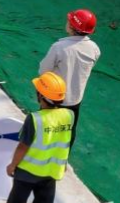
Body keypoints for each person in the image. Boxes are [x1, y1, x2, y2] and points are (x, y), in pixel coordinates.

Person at [0, 73, 74, 203]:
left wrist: (12, 165)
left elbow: (23, 146)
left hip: (27, 173)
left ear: (41, 96)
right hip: (51, 172)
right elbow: (65, 140)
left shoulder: (35, 119)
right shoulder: (69, 115)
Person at [39, 8, 99, 147]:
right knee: (68, 133)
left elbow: (43, 70)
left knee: (45, 130)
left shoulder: (59, 47)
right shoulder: (94, 49)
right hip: (75, 100)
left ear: (72, 26)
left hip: (53, 98)